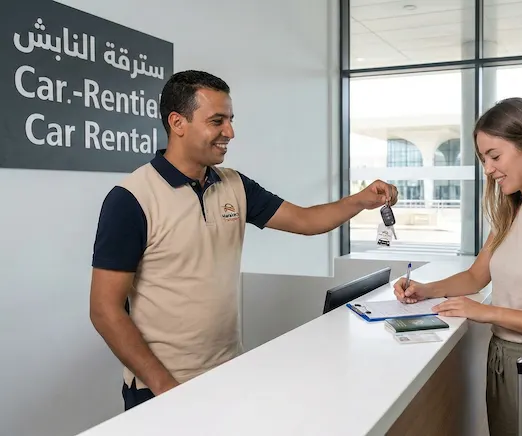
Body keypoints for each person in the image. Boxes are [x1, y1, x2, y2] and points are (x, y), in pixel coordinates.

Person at [89, 70, 398, 411]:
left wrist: (361, 200)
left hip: (227, 373)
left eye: (230, 120)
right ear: (178, 122)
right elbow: (105, 310)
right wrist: (165, 388)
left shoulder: (234, 185)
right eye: (217, 121)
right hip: (160, 389)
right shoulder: (131, 198)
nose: (230, 132)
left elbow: (306, 220)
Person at [394, 97, 522, 436]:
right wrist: (424, 290)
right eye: (483, 159)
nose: (488, 169)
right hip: (502, 364)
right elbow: (477, 275)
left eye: (495, 156)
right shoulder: (511, 213)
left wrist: (489, 312)